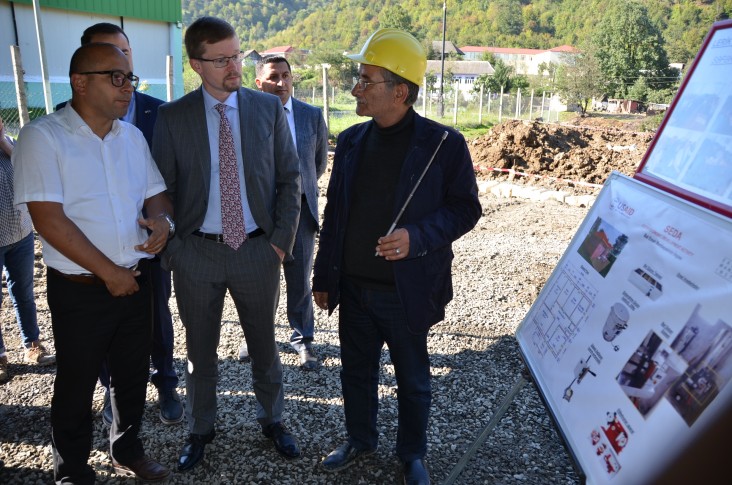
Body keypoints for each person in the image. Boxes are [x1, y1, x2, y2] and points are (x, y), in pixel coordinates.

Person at [312, 29, 482, 485]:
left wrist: (417, 237)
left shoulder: (444, 145)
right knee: (356, 374)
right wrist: (323, 275)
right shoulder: (349, 142)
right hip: (354, 288)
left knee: (413, 381)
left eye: (366, 81)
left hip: (405, 292)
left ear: (400, 91)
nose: (356, 89)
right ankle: (361, 439)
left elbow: (467, 209)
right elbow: (335, 215)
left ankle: (412, 455)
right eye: (358, 79)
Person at [13, 42, 172, 483]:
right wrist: (110, 274)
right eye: (115, 77)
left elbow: (155, 194)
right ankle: (73, 469)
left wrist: (164, 223)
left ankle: (127, 448)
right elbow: (49, 220)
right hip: (81, 288)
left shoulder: (132, 137)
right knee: (76, 383)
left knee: (132, 375)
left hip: (137, 278)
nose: (127, 89)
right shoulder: (43, 137)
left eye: (130, 79)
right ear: (80, 83)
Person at [152, 17, 302, 472]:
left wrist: (279, 243)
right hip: (196, 253)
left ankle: (273, 421)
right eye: (221, 60)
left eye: (236, 55)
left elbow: (290, 180)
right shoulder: (172, 117)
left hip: (257, 250)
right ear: (196, 64)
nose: (233, 66)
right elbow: (161, 189)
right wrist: (175, 250)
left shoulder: (266, 108)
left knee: (264, 345)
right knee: (199, 350)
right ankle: (200, 429)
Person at [55, 21, 183, 428]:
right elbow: (50, 212)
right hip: (86, 267)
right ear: (82, 74)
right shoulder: (58, 125)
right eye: (107, 57)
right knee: (96, 350)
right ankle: (115, 396)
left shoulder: (157, 112)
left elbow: (165, 180)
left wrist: (164, 222)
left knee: (156, 320)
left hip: (146, 251)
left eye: (124, 56)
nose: (120, 69)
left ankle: (164, 382)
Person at [239, 54, 328, 370]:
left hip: (300, 213)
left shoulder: (311, 116)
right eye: (274, 77)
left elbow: (316, 164)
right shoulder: (243, 117)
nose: (281, 83)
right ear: (258, 83)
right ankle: (255, 339)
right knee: (256, 281)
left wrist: (295, 196)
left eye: (286, 76)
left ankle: (303, 340)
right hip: (257, 215)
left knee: (299, 280)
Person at [0, 115, 55, 383]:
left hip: (20, 235)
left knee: (23, 293)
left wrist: (2, 141)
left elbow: (26, 169)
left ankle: (32, 344)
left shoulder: (10, 143)